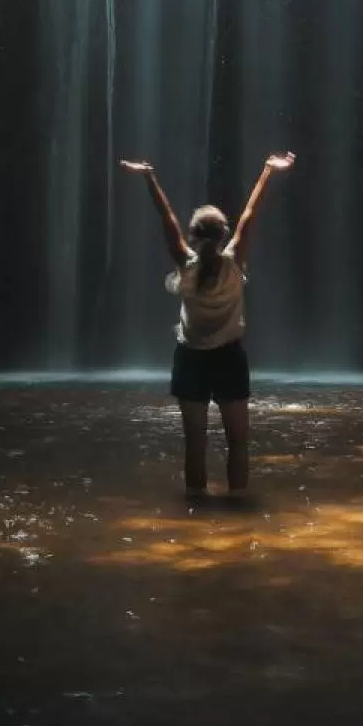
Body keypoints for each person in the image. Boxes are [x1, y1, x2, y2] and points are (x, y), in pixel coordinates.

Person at [119, 152, 295, 499]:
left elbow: (165, 217)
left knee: (195, 443)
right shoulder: (234, 264)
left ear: (193, 235)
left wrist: (149, 177)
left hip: (191, 359)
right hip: (229, 358)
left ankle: (195, 511)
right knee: (238, 442)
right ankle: (238, 508)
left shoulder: (186, 265)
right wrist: (267, 172)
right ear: (224, 234)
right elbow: (250, 214)